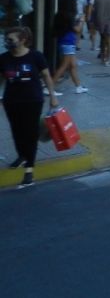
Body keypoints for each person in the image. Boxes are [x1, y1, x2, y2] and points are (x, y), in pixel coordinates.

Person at [1, 27, 59, 188]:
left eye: (11, 39)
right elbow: (1, 79)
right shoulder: (3, 58)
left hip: (33, 100)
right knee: (17, 132)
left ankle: (29, 169)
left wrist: (53, 96)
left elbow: (46, 76)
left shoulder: (36, 56)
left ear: (23, 40)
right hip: (11, 101)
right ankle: (22, 155)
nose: (7, 42)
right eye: (6, 39)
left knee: (30, 134)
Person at [51, 0, 88, 94]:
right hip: (68, 43)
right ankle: (49, 87)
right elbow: (77, 30)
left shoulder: (60, 15)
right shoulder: (68, 17)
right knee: (64, 66)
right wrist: (81, 21)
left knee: (72, 65)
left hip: (65, 42)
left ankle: (78, 86)